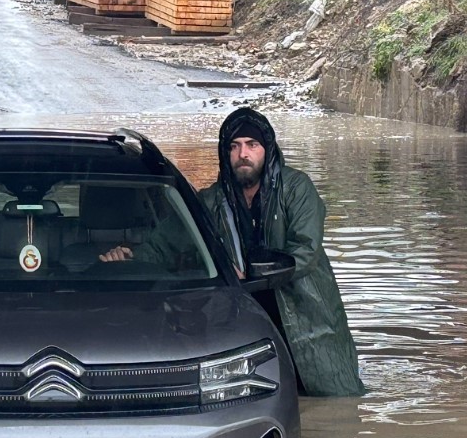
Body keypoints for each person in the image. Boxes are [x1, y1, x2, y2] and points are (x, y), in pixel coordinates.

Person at [102, 108, 365, 396]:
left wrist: (252, 271)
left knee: (333, 399)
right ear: (225, 153)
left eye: (252, 145)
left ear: (267, 149)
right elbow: (165, 245)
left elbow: (306, 251)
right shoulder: (209, 201)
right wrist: (129, 257)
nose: (243, 154)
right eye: (235, 146)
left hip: (306, 315)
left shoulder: (297, 188)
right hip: (244, 318)